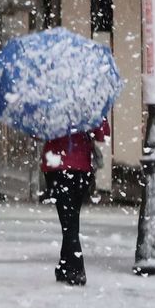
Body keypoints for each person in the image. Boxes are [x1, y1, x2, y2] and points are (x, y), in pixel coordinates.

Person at [40, 116, 110, 286]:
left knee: (68, 221)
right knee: (71, 219)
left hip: (56, 167)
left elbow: (38, 133)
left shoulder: (51, 107)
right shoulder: (88, 107)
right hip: (81, 168)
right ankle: (65, 265)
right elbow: (103, 134)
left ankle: (76, 268)